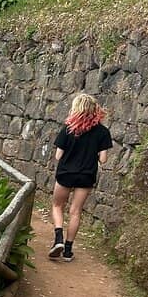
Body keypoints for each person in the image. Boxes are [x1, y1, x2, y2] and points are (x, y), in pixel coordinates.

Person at [49, 93, 112, 262]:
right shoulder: (102, 132)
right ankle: (68, 251)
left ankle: (58, 240)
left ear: (76, 108)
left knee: (57, 205)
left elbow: (58, 155)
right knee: (75, 212)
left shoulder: (68, 128)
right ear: (94, 110)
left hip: (66, 174)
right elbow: (103, 159)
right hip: (86, 175)